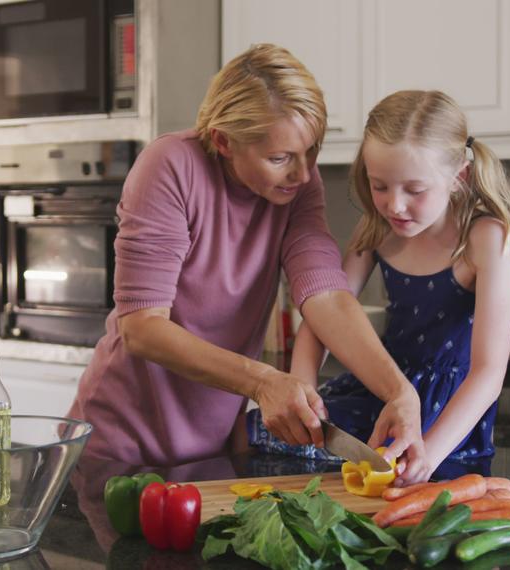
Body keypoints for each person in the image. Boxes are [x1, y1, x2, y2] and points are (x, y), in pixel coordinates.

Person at [68, 44, 426, 475]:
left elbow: (325, 292)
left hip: (209, 450)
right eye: (280, 158)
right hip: (118, 446)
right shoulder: (169, 167)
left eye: (311, 151)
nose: (302, 171)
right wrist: (262, 381)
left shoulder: (297, 187)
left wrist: (400, 394)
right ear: (223, 141)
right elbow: (142, 328)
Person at [249, 90, 510, 484]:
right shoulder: (377, 229)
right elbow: (327, 310)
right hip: (381, 388)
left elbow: (488, 373)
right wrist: (303, 388)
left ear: (458, 176)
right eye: (380, 186)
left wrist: (426, 457)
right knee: (260, 431)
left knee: (400, 469)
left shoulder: (486, 238)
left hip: (447, 413)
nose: (394, 206)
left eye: (414, 190)